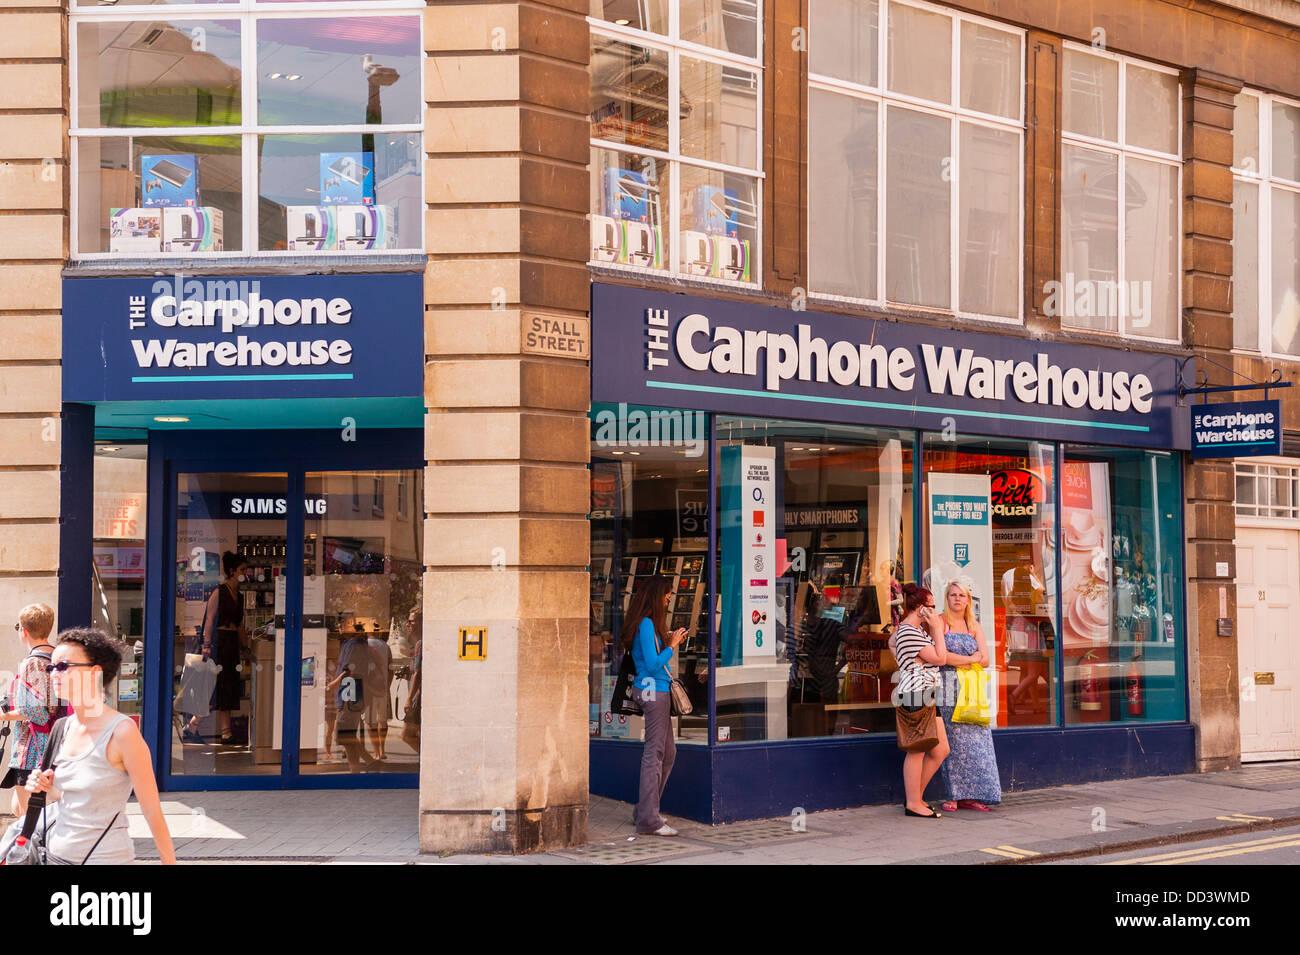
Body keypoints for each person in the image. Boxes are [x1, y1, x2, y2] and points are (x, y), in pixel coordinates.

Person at [24, 628, 176, 864]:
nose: (54, 674)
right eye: (51, 667)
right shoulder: (62, 728)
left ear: (95, 673)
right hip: (53, 857)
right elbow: (66, 799)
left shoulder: (122, 732)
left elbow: (152, 812)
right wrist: (41, 785)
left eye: (63, 666)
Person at [626, 575, 685, 836]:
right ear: (656, 597)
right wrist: (671, 646)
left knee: (668, 753)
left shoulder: (648, 625)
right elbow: (651, 664)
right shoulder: (647, 624)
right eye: (666, 596)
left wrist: (668, 640)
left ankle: (644, 809)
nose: (668, 600)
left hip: (653, 691)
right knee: (655, 755)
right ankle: (649, 820)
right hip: (654, 692)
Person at [937, 580, 1002, 813]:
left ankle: (975, 794)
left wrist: (963, 660)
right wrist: (970, 659)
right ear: (947, 598)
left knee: (977, 744)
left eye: (961, 595)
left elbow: (986, 659)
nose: (957, 598)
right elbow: (941, 657)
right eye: (953, 594)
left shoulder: (973, 625)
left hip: (972, 690)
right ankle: (954, 794)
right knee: (952, 744)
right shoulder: (940, 622)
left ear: (968, 600)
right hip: (948, 690)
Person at [892, 584, 949, 818]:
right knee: (917, 750)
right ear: (920, 608)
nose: (936, 612)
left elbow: (890, 644)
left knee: (940, 749)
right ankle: (913, 803)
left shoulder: (912, 630)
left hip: (926, 694)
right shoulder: (909, 631)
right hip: (915, 694)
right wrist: (936, 628)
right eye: (933, 607)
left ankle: (914, 797)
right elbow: (941, 658)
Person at [1, 603, 60, 816]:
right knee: (18, 808)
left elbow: (36, 711)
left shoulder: (32, 662)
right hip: (52, 744)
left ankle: (39, 849)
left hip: (33, 750)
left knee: (28, 816)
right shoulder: (57, 657)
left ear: (23, 631)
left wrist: (4, 715)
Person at [199, 551, 250, 745]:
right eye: (242, 569)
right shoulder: (218, 592)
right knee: (217, 686)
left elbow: (240, 626)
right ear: (232, 571)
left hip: (231, 642)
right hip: (219, 642)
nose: (245, 573)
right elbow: (210, 621)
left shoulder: (240, 595)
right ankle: (197, 725)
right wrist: (206, 646)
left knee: (227, 686)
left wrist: (245, 648)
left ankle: (225, 732)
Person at [328, 631, 381, 774]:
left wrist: (333, 683)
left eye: (342, 622)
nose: (339, 626)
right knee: (346, 735)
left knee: (344, 735)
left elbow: (349, 670)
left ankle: (366, 764)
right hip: (350, 692)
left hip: (350, 692)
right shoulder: (353, 644)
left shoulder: (355, 644)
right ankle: (358, 768)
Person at [367, 628, 394, 760]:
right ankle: (382, 750)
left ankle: (375, 752)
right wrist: (387, 686)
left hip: (368, 689)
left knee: (370, 721)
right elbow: (391, 669)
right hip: (382, 688)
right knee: (382, 721)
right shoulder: (385, 646)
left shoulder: (363, 645)